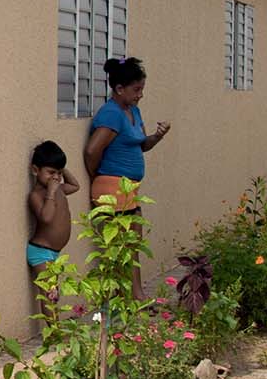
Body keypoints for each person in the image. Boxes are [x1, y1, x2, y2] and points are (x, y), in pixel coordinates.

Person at [83, 56, 170, 296]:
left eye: (142, 89)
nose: (140, 94)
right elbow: (92, 150)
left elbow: (142, 144)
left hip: (129, 188)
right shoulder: (112, 114)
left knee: (133, 245)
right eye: (136, 89)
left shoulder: (134, 111)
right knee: (125, 246)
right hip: (113, 188)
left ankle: (133, 295)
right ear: (119, 89)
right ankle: (134, 297)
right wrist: (98, 177)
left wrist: (158, 135)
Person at [26, 141, 81, 301]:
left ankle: (53, 325)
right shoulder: (36, 195)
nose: (56, 177)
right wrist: (50, 192)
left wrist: (60, 167)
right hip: (40, 252)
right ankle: (53, 326)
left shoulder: (60, 189)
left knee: (53, 294)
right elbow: (46, 218)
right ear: (36, 170)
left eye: (59, 173)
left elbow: (75, 185)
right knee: (50, 295)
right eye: (51, 172)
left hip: (53, 253)